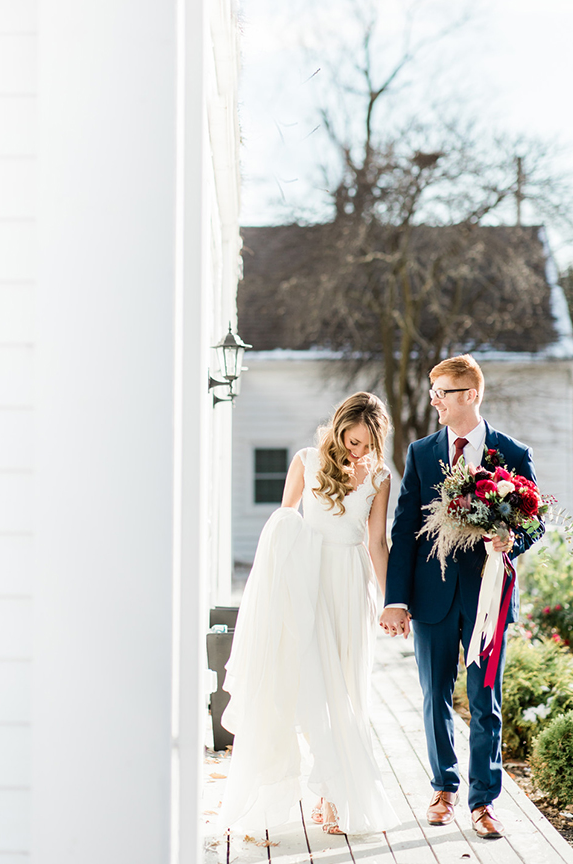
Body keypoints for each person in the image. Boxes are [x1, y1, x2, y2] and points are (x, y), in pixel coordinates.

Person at [220, 392, 400, 836]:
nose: (355, 450)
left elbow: (377, 542)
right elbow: (284, 524)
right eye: (349, 440)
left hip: (350, 581)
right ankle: (316, 785)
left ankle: (334, 797)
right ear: (338, 429)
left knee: (347, 689)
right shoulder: (306, 460)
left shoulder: (379, 477)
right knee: (310, 683)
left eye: (363, 443)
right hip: (307, 581)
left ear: (376, 440)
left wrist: (393, 600)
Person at [380, 354, 541, 840]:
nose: (434, 401)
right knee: (434, 698)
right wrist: (396, 599)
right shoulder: (422, 453)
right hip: (430, 598)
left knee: (484, 696)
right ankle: (443, 788)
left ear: (470, 395)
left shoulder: (512, 452)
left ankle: (484, 801)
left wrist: (512, 540)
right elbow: (405, 527)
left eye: (442, 392)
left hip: (488, 596)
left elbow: (533, 522)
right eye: (432, 392)